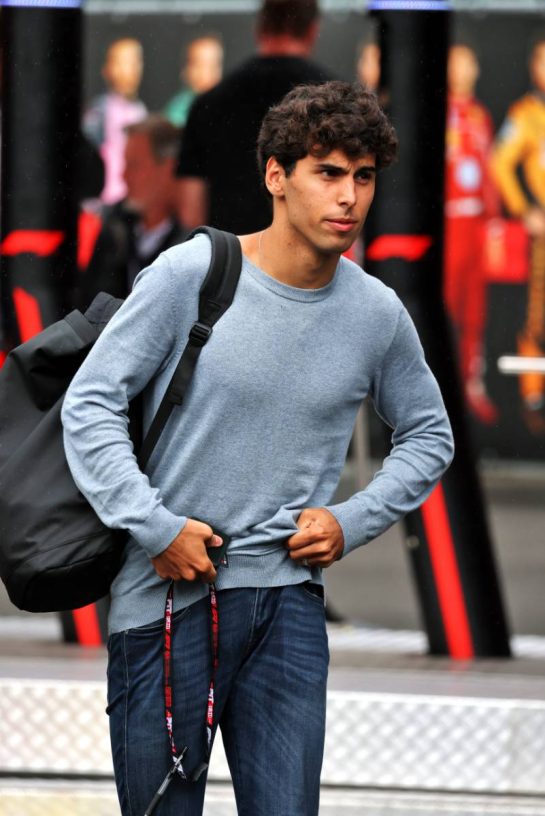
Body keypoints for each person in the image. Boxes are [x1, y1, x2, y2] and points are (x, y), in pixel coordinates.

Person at [61, 81, 454, 816]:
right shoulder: (191, 275)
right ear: (276, 175)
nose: (349, 197)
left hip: (288, 610)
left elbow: (430, 435)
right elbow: (90, 404)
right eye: (327, 172)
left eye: (363, 176)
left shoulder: (375, 313)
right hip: (167, 602)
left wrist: (349, 520)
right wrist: (155, 526)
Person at [176, 0, 333, 234]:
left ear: (259, 29)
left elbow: (191, 212)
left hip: (231, 251)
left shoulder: (209, 103)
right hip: (308, 252)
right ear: (312, 31)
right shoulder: (336, 102)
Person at [491, 35, 545, 433]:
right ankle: (533, 395)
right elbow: (499, 162)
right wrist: (524, 210)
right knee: (537, 317)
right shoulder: (526, 115)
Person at [444, 43, 499, 425]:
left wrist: (493, 221)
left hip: (475, 223)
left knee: (475, 308)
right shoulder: (439, 112)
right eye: (456, 62)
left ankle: (471, 382)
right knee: (447, 303)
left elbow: (490, 171)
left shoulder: (480, 114)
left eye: (468, 62)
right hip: (449, 222)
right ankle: (442, 384)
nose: (463, 70)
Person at [78, 115, 186, 307]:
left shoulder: (196, 240)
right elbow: (88, 305)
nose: (124, 175)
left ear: (168, 168)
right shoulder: (114, 227)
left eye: (134, 165)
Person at [83, 38, 147, 205]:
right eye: (122, 62)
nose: (130, 69)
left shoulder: (140, 110)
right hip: (104, 202)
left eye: (135, 62)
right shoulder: (100, 110)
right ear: (107, 69)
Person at [164, 35, 224, 127]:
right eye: (198, 65)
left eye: (213, 65)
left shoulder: (226, 104)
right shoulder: (177, 111)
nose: (205, 73)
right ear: (185, 70)